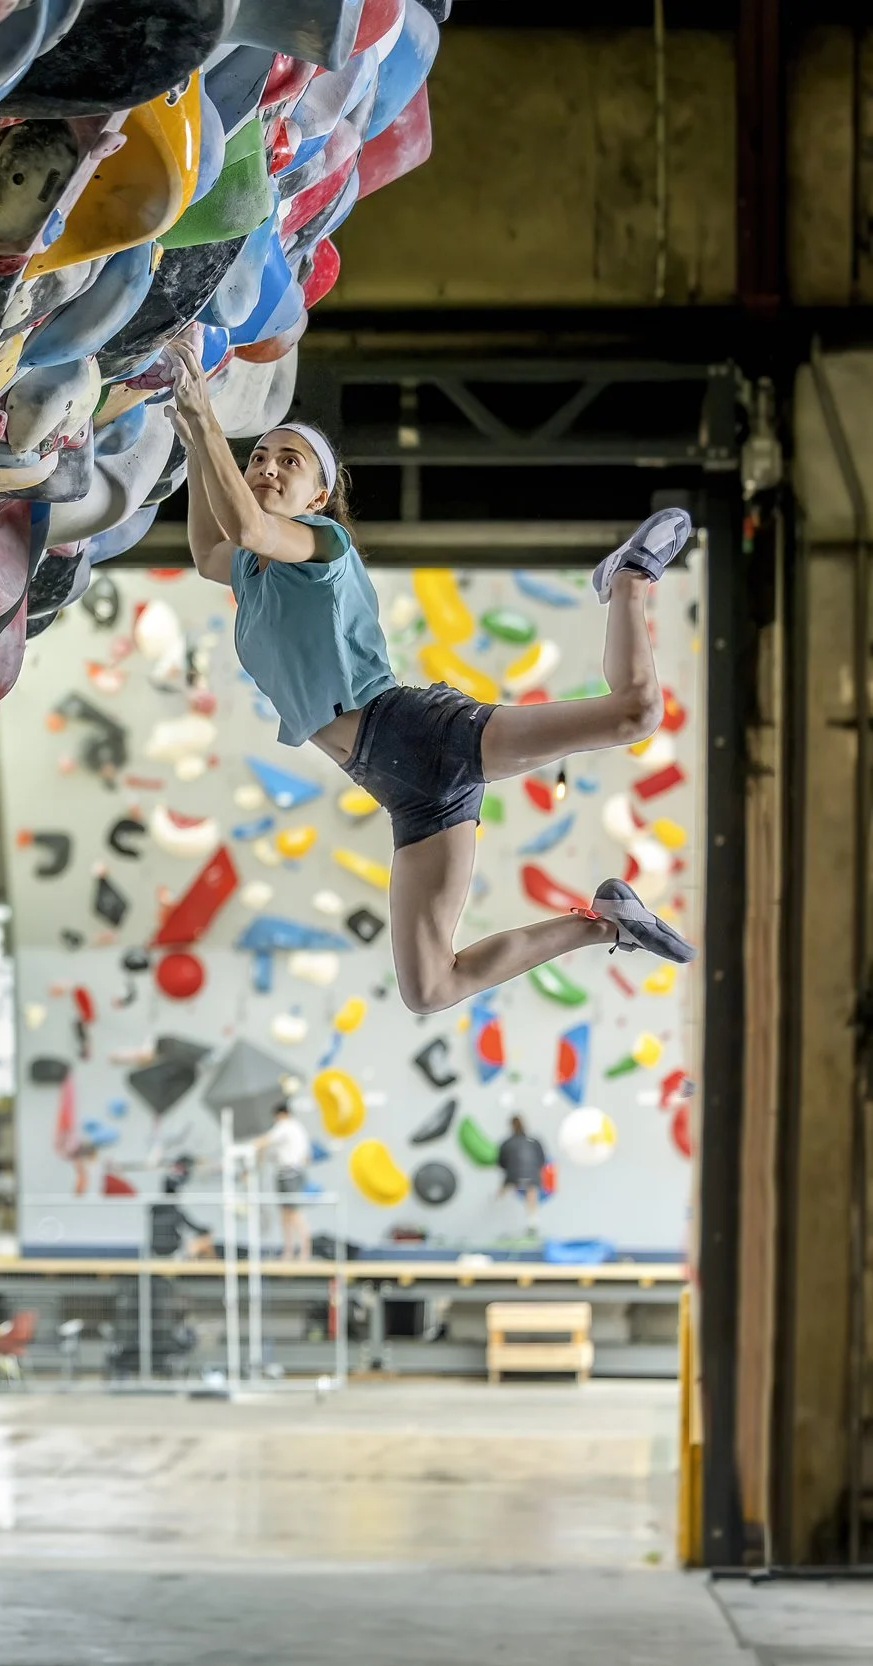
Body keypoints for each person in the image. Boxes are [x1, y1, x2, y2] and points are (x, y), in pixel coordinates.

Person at [166, 340, 697, 1014]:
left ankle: (626, 580)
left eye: (286, 461)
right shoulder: (252, 566)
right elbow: (211, 546)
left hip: (420, 736)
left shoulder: (320, 546)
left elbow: (241, 522)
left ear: (319, 495)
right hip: (405, 790)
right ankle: (606, 925)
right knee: (431, 985)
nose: (267, 468)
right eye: (259, 458)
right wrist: (191, 436)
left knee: (636, 715)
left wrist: (207, 419)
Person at [254, 1106, 313, 1260]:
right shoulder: (298, 1129)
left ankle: (304, 1251)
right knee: (285, 1215)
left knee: (294, 1213)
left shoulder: (287, 1126)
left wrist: (252, 1145)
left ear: (281, 1114)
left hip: (291, 1174)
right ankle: (289, 1250)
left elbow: (266, 1140)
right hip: (285, 1173)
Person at [150, 1154, 215, 1259]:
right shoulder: (175, 1212)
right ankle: (211, 1265)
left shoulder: (156, 1210)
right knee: (200, 1241)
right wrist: (207, 1230)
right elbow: (193, 1227)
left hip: (155, 1251)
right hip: (172, 1251)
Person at [497, 1115, 548, 1232]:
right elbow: (542, 1159)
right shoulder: (533, 1141)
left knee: (504, 1193)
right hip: (532, 1174)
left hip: (513, 1174)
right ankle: (532, 1222)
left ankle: (500, 1218)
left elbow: (501, 1161)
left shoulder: (507, 1143)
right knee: (531, 1195)